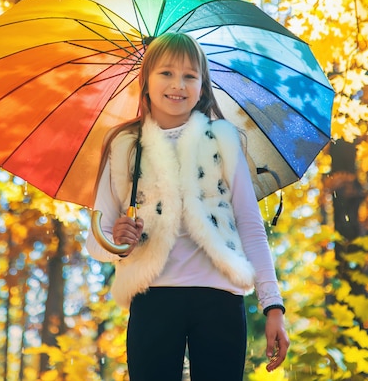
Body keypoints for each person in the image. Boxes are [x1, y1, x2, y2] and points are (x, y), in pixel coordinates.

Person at [86, 32, 289, 381]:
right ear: (145, 81)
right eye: (166, 73)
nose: (178, 84)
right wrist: (119, 244)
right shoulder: (125, 146)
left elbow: (249, 223)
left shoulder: (223, 140)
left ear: (202, 86)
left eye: (189, 76)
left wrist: (273, 305)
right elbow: (96, 240)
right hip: (153, 299)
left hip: (220, 298)